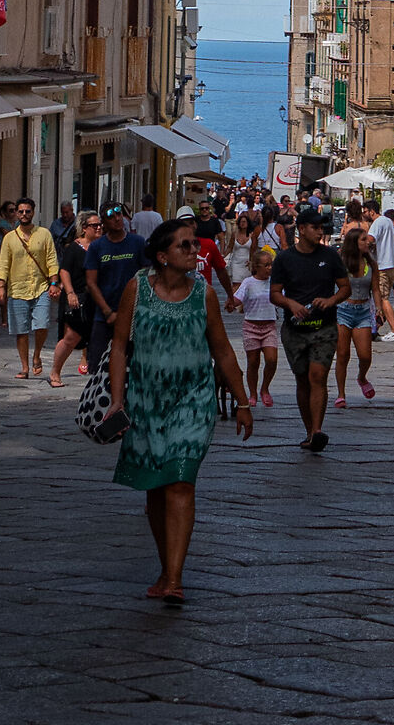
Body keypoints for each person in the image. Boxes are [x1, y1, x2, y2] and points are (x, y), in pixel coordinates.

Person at [106, 215, 252, 608]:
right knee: (156, 487)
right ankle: (165, 567)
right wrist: (117, 401)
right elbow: (119, 345)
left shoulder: (204, 293)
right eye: (184, 245)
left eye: (194, 244)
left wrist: (242, 401)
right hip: (145, 401)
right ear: (162, 256)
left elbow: (222, 350)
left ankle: (174, 578)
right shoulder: (138, 288)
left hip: (193, 400)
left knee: (181, 482)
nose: (194, 251)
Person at [269, 208, 350, 451]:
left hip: (324, 327)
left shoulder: (330, 256)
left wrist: (331, 300)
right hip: (295, 330)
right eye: (315, 227)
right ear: (301, 229)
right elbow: (274, 294)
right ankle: (309, 430)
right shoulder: (285, 259)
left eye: (321, 228)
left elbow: (345, 287)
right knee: (302, 379)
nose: (319, 232)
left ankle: (317, 430)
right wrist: (290, 304)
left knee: (318, 376)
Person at [0, 198, 60, 380]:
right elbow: (3, 264)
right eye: (21, 211)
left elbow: (51, 260)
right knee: (21, 330)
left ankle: (37, 354)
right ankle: (24, 367)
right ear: (17, 213)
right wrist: (1, 287)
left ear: (33, 212)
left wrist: (54, 283)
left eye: (28, 211)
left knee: (42, 324)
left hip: (41, 287)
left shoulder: (44, 234)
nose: (24, 214)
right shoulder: (9, 238)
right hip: (17, 288)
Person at [86, 205, 149, 380]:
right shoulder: (97, 247)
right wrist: (107, 312)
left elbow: (147, 276)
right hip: (105, 316)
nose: (117, 219)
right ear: (104, 222)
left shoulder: (137, 243)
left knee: (135, 365)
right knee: (97, 367)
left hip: (134, 315)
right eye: (111, 216)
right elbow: (91, 283)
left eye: (119, 214)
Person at [48, 208, 101, 388]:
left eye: (100, 225)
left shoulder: (101, 247)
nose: (99, 228)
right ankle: (55, 371)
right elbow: (64, 271)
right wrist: (70, 292)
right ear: (84, 228)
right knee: (71, 337)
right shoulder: (74, 248)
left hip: (96, 298)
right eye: (94, 225)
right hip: (77, 298)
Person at [332, 224, 379, 408]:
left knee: (365, 355)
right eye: (363, 239)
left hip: (363, 311)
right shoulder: (341, 263)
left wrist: (379, 308)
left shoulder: (371, 264)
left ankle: (362, 377)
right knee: (343, 354)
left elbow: (375, 289)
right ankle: (341, 393)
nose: (368, 242)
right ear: (354, 243)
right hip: (343, 309)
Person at [234, 243, 281, 408]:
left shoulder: (274, 283)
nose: (269, 268)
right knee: (253, 362)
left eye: (271, 265)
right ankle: (253, 393)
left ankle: (265, 388)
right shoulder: (248, 282)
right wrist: (230, 302)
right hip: (251, 326)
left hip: (269, 326)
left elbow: (283, 297)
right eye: (266, 265)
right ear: (256, 267)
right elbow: (237, 298)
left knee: (272, 359)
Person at [372, 206, 394, 337]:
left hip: (382, 265)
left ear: (371, 211)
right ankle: (375, 328)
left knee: (383, 299)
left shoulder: (378, 222)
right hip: (392, 265)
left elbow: (370, 239)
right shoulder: (389, 222)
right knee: (384, 297)